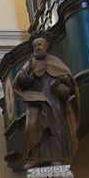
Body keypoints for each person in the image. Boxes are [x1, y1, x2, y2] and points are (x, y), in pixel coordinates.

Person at [12, 34, 80, 169]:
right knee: (32, 128)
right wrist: (26, 73)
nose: (36, 47)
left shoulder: (56, 62)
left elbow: (70, 84)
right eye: (34, 46)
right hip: (35, 101)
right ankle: (33, 159)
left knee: (55, 130)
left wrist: (64, 79)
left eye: (39, 44)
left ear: (46, 45)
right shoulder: (30, 63)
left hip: (54, 101)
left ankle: (56, 158)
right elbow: (21, 83)